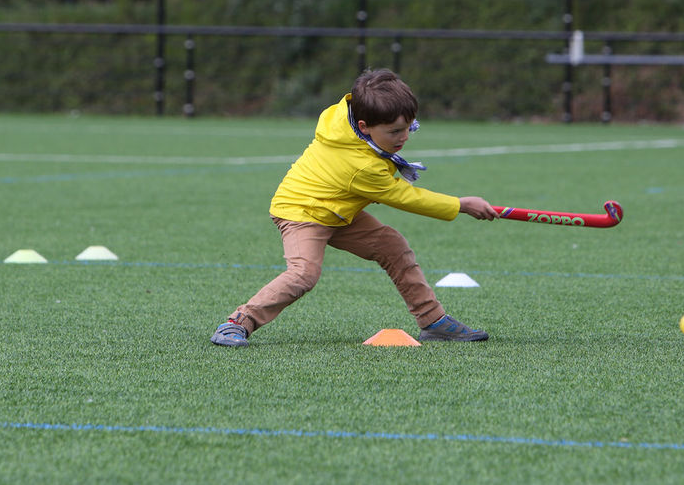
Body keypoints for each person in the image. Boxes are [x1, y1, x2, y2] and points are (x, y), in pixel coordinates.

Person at [211, 69, 499, 347]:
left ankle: (433, 322)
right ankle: (238, 322)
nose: (404, 138)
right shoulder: (361, 167)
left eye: (409, 127)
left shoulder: (347, 113)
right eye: (395, 131)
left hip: (338, 209)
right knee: (303, 274)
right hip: (302, 212)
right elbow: (405, 197)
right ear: (364, 127)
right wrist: (460, 205)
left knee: (392, 246)